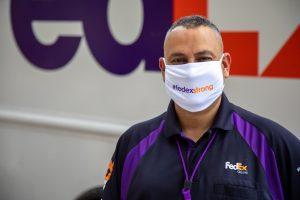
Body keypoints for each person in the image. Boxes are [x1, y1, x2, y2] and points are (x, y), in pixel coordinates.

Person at [102, 15, 300, 200]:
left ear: (225, 65)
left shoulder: (276, 146)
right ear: (164, 70)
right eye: (179, 60)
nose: (191, 71)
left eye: (203, 59)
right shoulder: (132, 144)